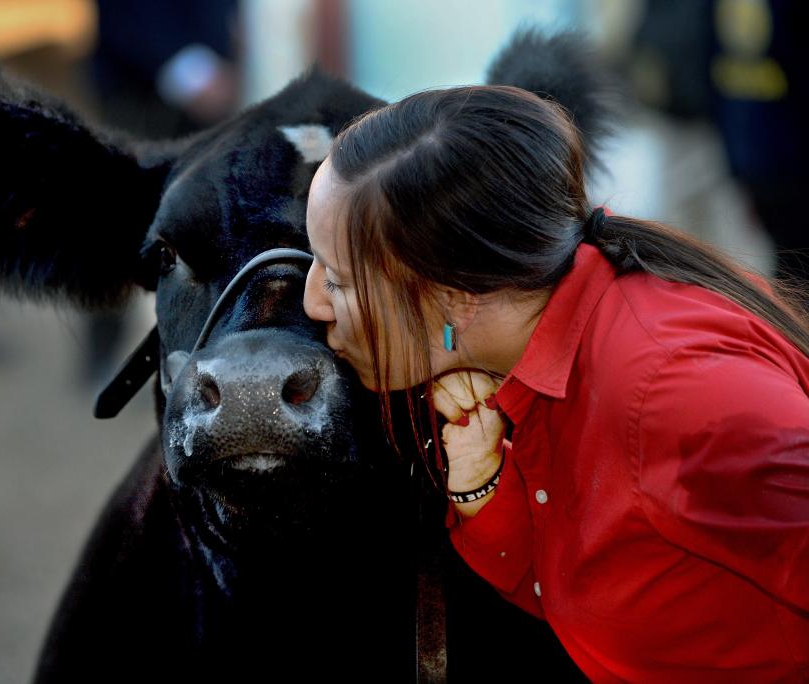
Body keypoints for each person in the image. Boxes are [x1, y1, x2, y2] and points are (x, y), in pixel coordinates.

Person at [302, 84, 809, 680]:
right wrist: (484, 491)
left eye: (338, 279)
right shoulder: (534, 349)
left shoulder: (675, 393)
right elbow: (592, 587)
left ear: (455, 298)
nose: (314, 303)